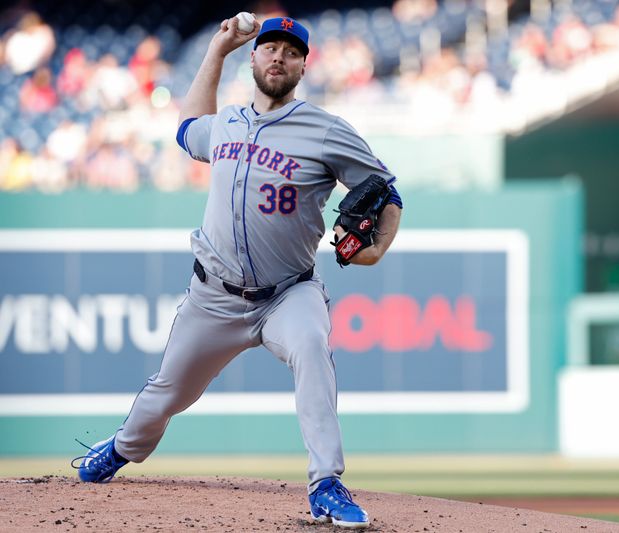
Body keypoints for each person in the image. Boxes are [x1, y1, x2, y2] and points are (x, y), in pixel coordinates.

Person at [72, 14, 403, 530]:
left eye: (291, 51)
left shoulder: (327, 130)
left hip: (288, 294)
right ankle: (120, 448)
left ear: (302, 64)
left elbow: (386, 191)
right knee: (167, 393)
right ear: (255, 57)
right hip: (214, 298)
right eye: (270, 47)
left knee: (312, 348)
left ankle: (326, 485)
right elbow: (186, 129)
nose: (279, 57)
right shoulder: (225, 122)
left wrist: (378, 247)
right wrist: (217, 48)